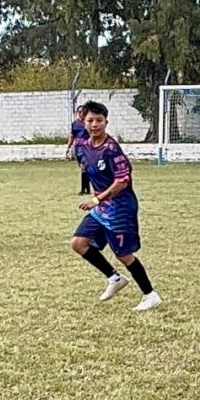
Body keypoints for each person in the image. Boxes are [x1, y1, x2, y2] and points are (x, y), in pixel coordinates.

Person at [70, 101, 161, 311]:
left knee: (123, 255)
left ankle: (150, 295)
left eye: (99, 120)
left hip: (120, 208)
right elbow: (86, 166)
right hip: (102, 208)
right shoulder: (82, 147)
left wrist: (97, 199)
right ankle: (114, 278)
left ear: (106, 122)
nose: (94, 124)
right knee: (78, 243)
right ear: (83, 122)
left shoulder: (111, 149)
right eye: (90, 120)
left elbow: (122, 181)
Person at [65, 105, 91, 195]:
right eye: (79, 112)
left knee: (84, 167)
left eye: (82, 112)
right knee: (83, 168)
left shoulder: (88, 123)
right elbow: (72, 136)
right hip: (78, 148)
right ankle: (87, 189)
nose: (80, 113)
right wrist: (68, 147)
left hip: (86, 148)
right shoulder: (75, 124)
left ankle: (83, 189)